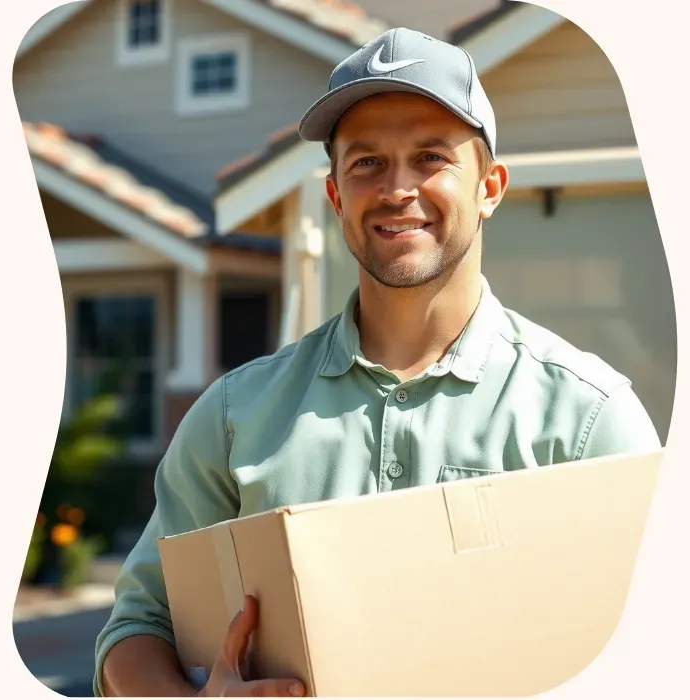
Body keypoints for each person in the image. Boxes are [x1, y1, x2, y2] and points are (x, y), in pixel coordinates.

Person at [93, 27, 661, 697]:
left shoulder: (588, 420)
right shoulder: (233, 417)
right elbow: (135, 627)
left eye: (429, 156)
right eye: (366, 163)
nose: (397, 189)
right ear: (336, 196)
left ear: (491, 187)